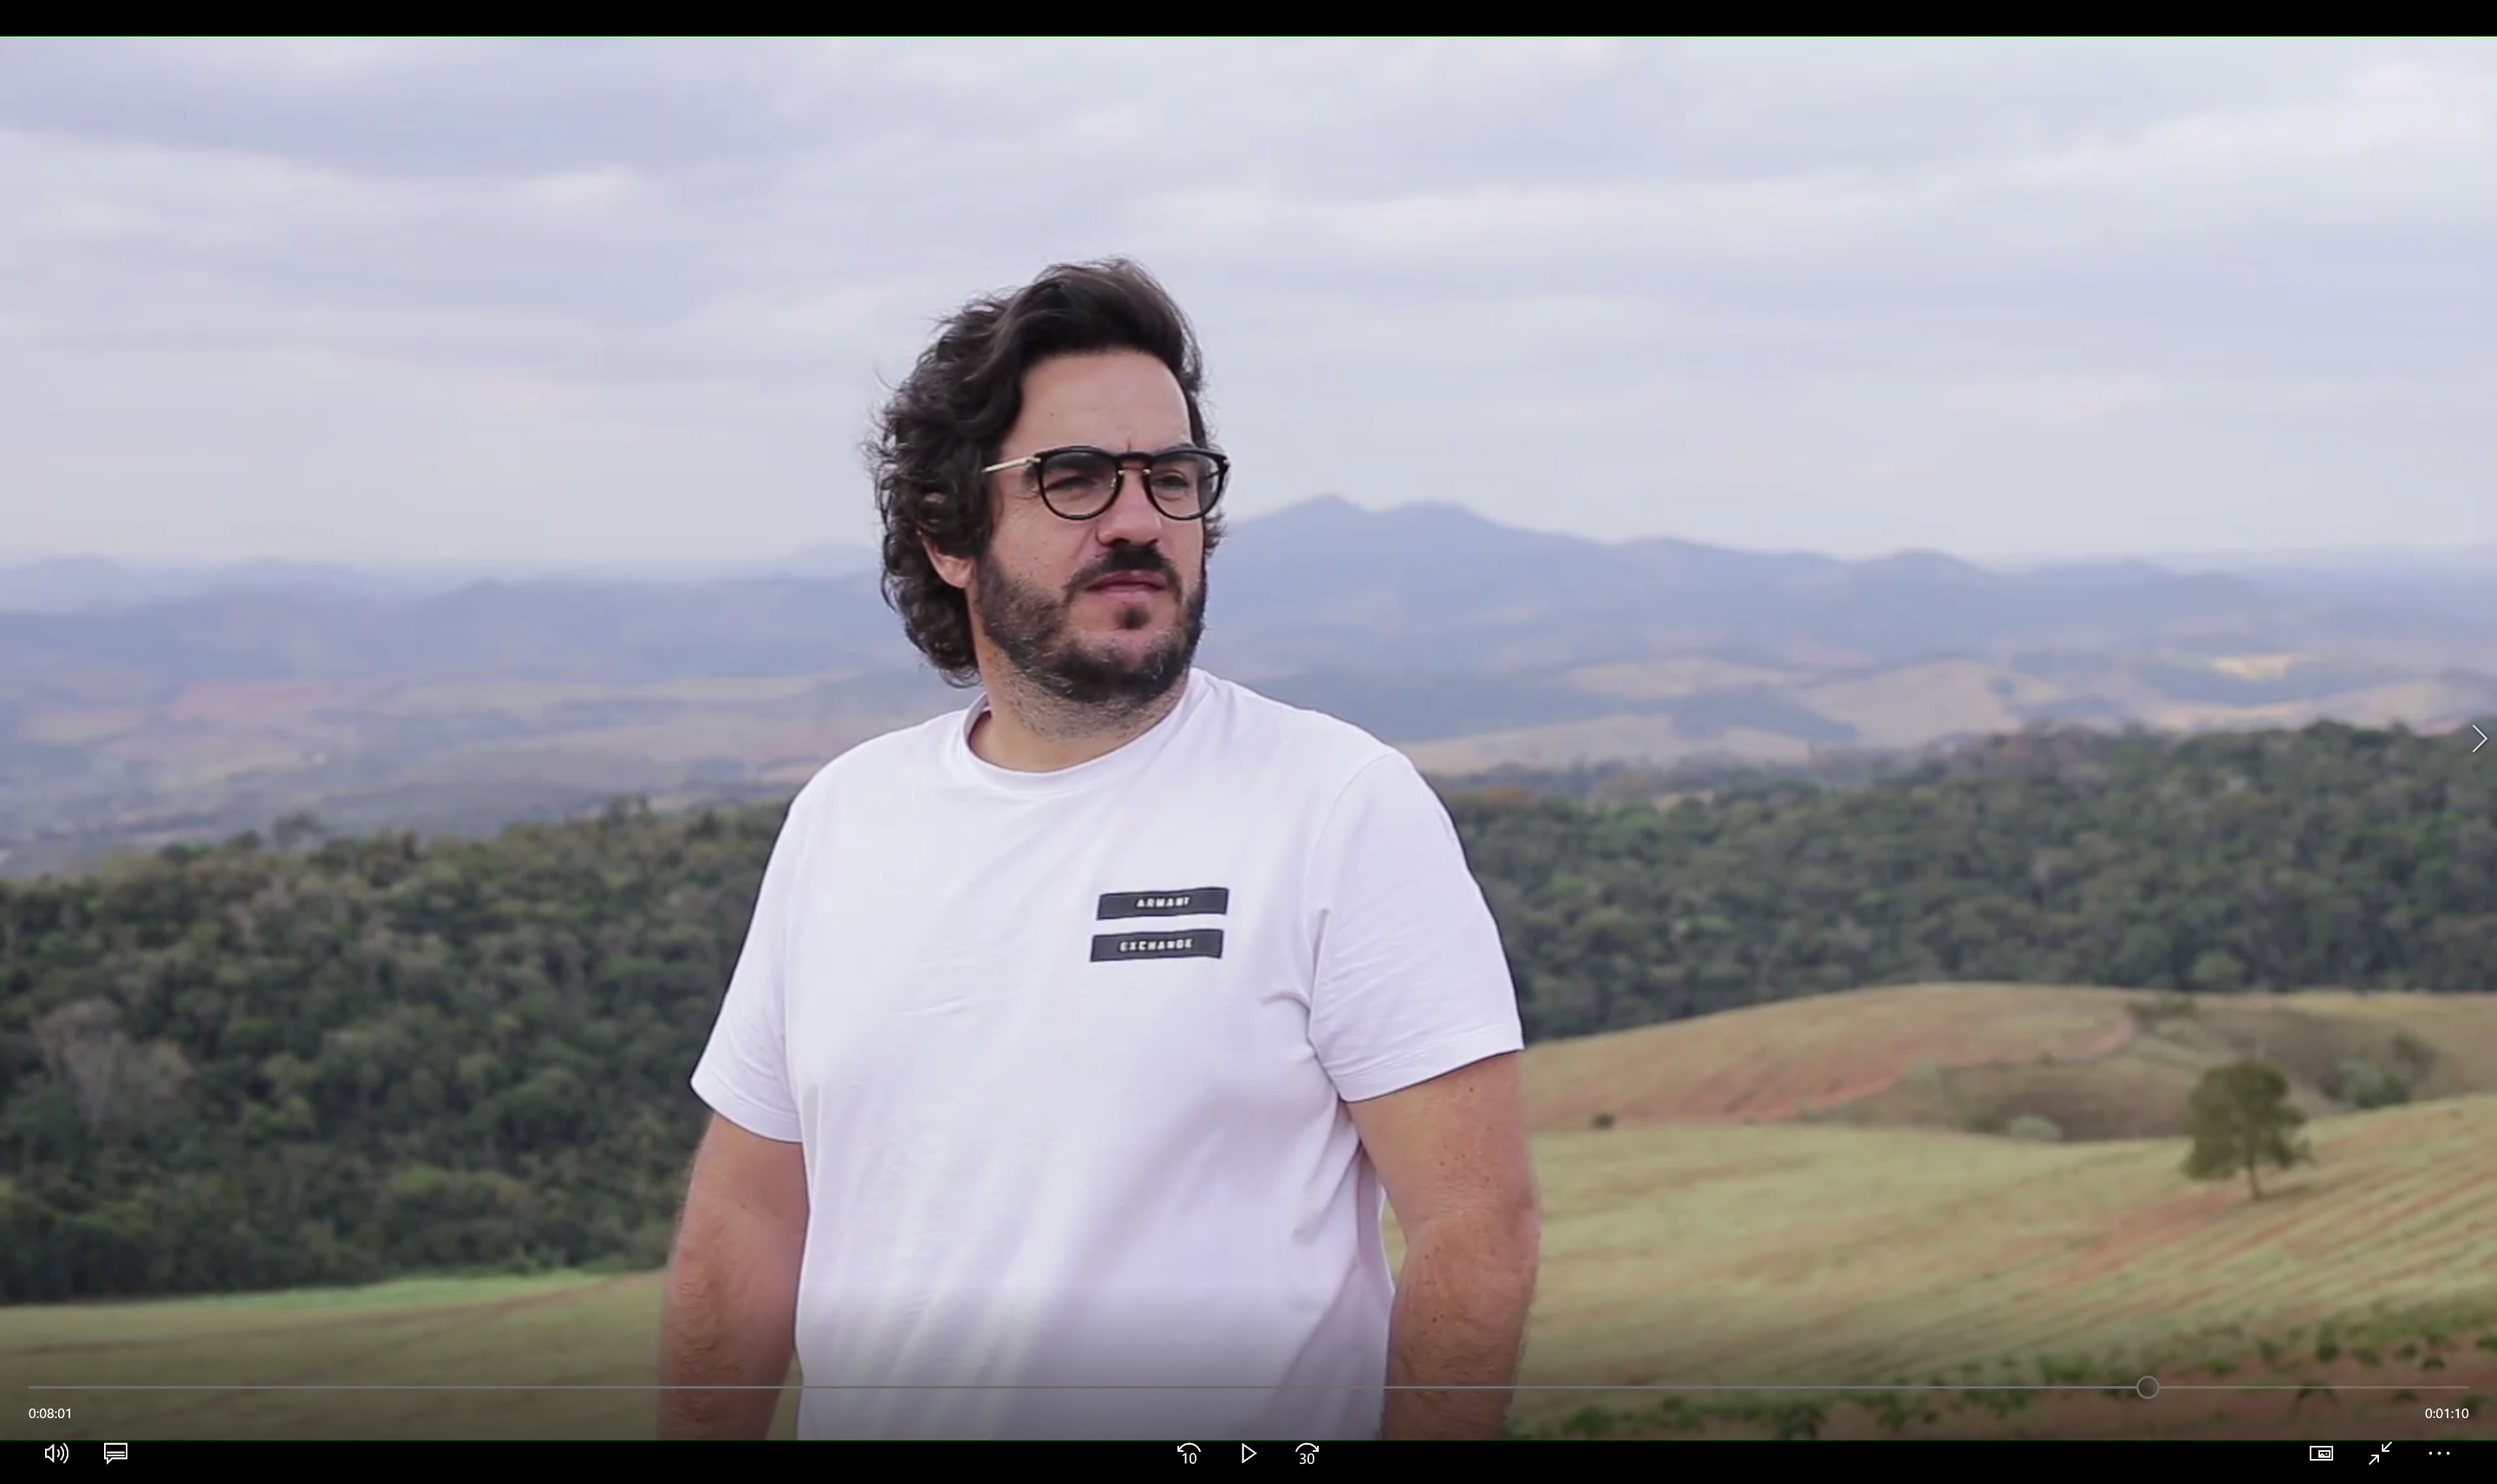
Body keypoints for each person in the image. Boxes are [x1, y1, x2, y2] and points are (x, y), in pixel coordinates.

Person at [657, 258, 1539, 1442]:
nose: (1138, 520)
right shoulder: (845, 818)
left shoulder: (1337, 806)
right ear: (948, 532)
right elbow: (750, 1223)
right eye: (1073, 479)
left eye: (1170, 477)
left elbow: (1476, 1229)